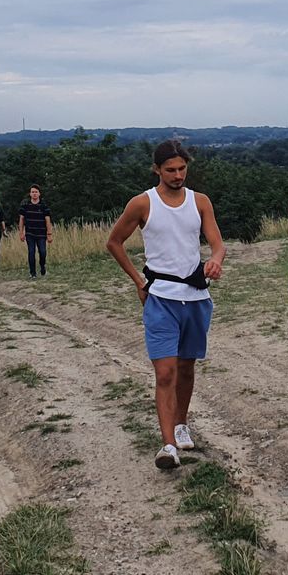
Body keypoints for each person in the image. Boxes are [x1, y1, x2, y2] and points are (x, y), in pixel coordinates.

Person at [107, 140, 225, 471]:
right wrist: (138, 280)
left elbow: (217, 243)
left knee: (186, 367)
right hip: (160, 298)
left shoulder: (200, 202)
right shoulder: (142, 204)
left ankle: (181, 423)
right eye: (170, 170)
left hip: (196, 298)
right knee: (165, 372)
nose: (177, 175)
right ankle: (168, 445)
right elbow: (114, 242)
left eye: (182, 169)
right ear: (157, 169)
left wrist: (215, 260)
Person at [18, 185, 52, 277]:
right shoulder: (25, 206)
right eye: (32, 192)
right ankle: (32, 273)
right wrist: (21, 232)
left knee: (42, 252)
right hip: (30, 233)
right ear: (30, 194)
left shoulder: (44, 205)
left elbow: (48, 220)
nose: (34, 194)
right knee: (31, 252)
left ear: (39, 193)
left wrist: (49, 234)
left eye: (36, 192)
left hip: (41, 233)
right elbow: (21, 219)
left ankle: (42, 266)